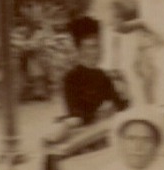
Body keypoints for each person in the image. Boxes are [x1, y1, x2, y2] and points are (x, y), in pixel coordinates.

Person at [45, 17, 127, 145]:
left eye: (97, 46)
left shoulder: (103, 76)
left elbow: (120, 105)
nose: (96, 51)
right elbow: (74, 111)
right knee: (69, 125)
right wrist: (96, 114)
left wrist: (123, 89)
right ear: (79, 50)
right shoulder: (71, 78)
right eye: (90, 47)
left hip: (102, 126)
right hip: (81, 127)